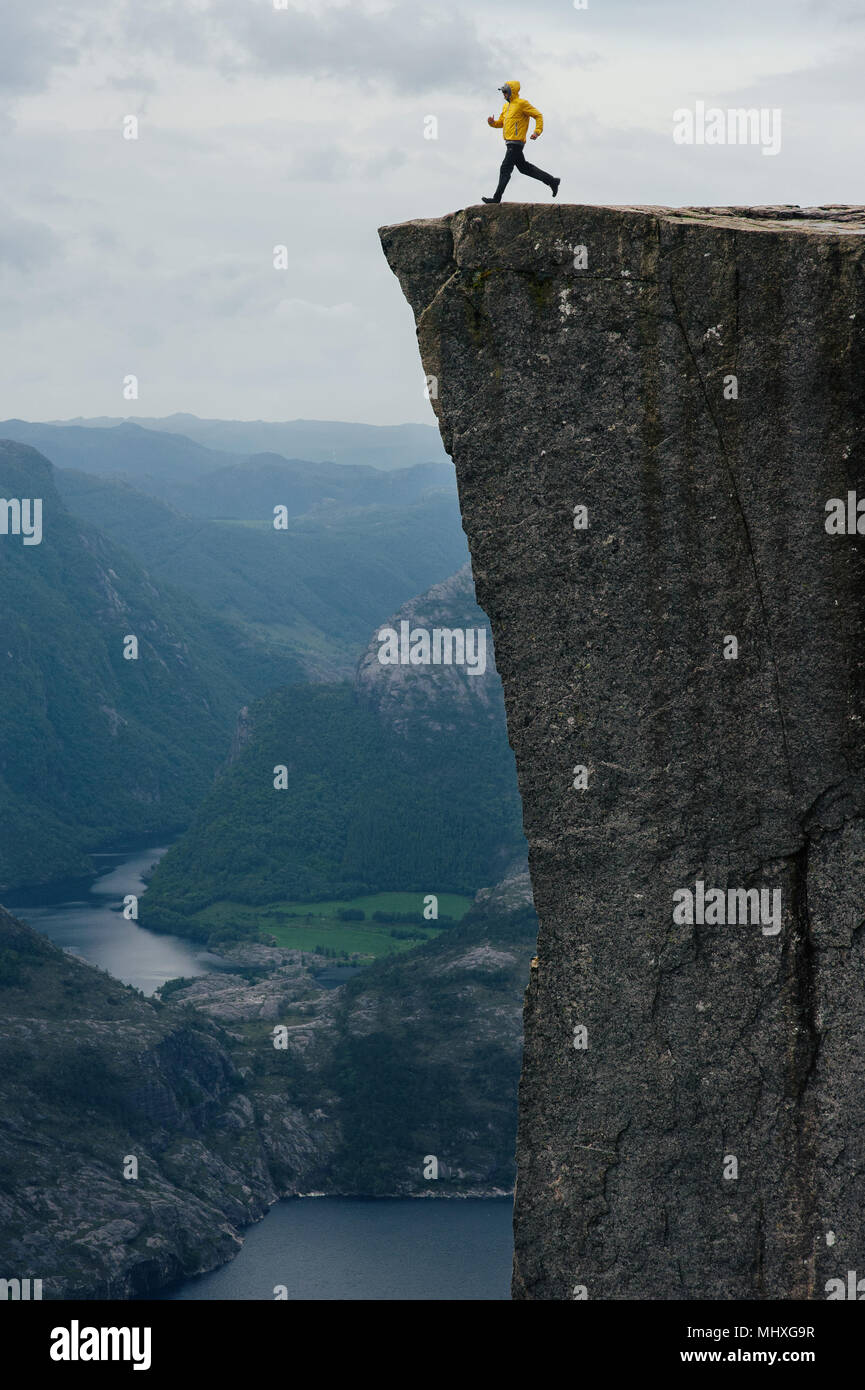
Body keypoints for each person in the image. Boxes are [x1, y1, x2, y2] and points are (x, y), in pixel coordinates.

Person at [483, 80, 560, 204]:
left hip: (516, 143)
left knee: (505, 168)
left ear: (510, 91)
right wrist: (492, 123)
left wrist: (537, 131)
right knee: (524, 168)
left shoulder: (522, 103)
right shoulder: (506, 106)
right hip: (509, 142)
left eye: (504, 92)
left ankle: (496, 198)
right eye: (502, 92)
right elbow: (501, 123)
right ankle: (552, 181)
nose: (503, 94)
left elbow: (538, 115)